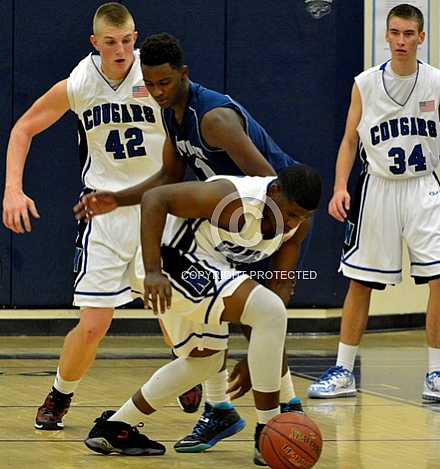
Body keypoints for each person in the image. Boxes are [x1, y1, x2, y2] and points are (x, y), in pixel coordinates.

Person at [75, 32, 305, 452]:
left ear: (184, 74)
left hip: (245, 224)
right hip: (199, 239)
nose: (158, 92)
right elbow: (167, 179)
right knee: (242, 328)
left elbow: (270, 187)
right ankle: (263, 416)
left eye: (165, 83)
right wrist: (116, 199)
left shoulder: (215, 120)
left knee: (236, 334)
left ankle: (272, 412)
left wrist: (276, 252)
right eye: (151, 84)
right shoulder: (173, 112)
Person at [0, 3, 194, 430]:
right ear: (95, 44)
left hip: (157, 205)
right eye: (111, 43)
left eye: (127, 40)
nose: (121, 50)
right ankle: (59, 395)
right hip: (103, 210)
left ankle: (189, 371)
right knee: (93, 324)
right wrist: (13, 189)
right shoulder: (81, 82)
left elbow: (195, 121)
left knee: (173, 311)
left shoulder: (158, 76)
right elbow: (22, 129)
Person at [308, 4, 440, 402]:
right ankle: (343, 370)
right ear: (387, 36)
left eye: (409, 34)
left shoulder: (439, 84)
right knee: (361, 282)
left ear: (421, 38)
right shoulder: (364, 84)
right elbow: (348, 141)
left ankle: (436, 375)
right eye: (394, 33)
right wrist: (341, 187)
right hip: (377, 187)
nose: (401, 41)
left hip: (423, 188)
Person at [83, 165, 322, 466]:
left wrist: (262, 354)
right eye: (290, 213)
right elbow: (155, 198)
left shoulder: (297, 226)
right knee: (268, 312)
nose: (293, 222)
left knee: (205, 360)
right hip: (168, 262)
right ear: (274, 192)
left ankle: (116, 427)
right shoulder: (234, 198)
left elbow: (281, 282)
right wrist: (154, 271)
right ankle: (267, 430)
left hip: (205, 267)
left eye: (302, 217)